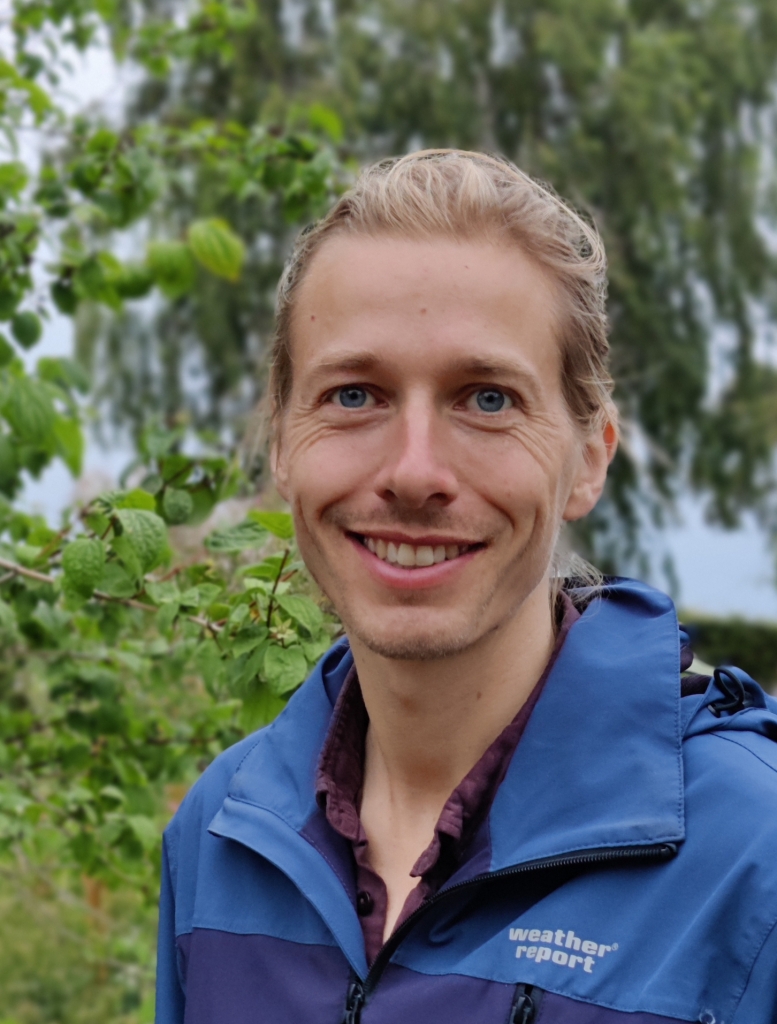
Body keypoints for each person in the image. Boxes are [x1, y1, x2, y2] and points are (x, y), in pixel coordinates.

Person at [155, 151, 777, 1024]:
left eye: (486, 400)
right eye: (354, 395)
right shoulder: (221, 833)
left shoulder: (751, 857)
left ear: (588, 457)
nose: (414, 474)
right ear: (283, 447)